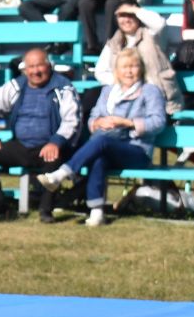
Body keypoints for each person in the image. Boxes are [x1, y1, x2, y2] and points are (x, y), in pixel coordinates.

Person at [40, 49, 167, 227]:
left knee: (101, 142)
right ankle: (97, 212)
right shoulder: (108, 92)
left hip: (137, 150)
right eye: (125, 67)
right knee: (99, 156)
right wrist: (99, 123)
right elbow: (92, 117)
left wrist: (127, 122)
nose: (129, 71)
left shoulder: (149, 91)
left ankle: (62, 174)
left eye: (134, 66)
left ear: (141, 69)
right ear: (117, 70)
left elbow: (158, 122)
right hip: (107, 146)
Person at [0, 47, 79, 222]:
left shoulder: (63, 88)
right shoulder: (17, 86)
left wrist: (56, 142)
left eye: (39, 66)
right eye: (31, 67)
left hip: (50, 146)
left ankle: (46, 210)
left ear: (49, 66)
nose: (35, 71)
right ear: (25, 69)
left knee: (54, 159)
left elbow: (71, 120)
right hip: (21, 146)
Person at [95, 4, 181, 119]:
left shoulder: (152, 35)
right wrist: (122, 83)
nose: (126, 19)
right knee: (91, 97)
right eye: (122, 15)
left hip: (154, 93)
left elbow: (160, 24)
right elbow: (100, 71)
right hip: (123, 94)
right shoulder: (113, 42)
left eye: (130, 15)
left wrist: (135, 9)